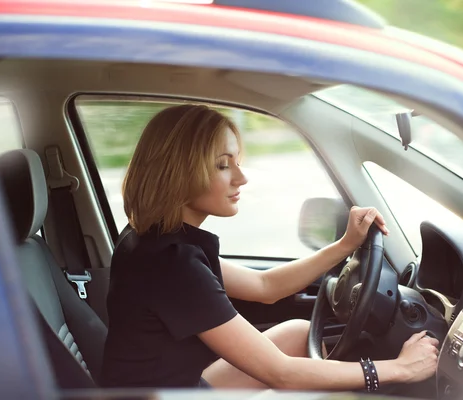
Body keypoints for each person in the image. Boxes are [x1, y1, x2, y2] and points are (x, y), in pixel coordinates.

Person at [100, 104, 439, 391]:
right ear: (179, 172)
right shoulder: (172, 264)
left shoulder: (151, 238)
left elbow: (265, 287)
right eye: (222, 164)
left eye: (236, 161)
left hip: (170, 386)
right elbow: (279, 372)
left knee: (298, 334)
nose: (241, 178)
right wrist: (400, 369)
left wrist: (345, 245)